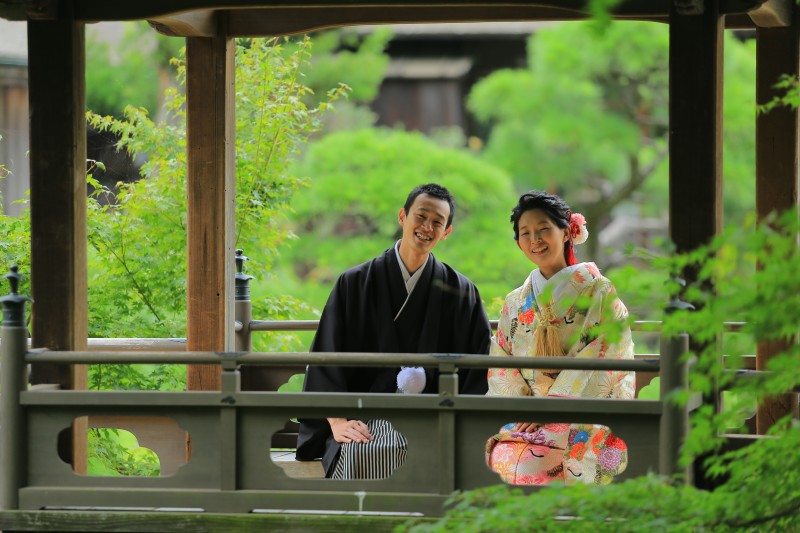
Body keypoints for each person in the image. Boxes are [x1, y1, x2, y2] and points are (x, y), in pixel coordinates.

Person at [296, 183, 492, 479]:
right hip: (364, 413)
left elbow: (476, 368)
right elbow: (327, 353)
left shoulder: (461, 292)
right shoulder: (354, 283)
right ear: (403, 216)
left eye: (437, 222)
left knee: (445, 456)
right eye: (421, 216)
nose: (427, 227)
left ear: (447, 231)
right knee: (363, 450)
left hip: (435, 414)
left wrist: (457, 421)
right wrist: (337, 421)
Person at [485, 190, 635, 486]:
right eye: (525, 233)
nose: (535, 240)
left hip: (582, 414)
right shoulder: (516, 301)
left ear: (567, 232)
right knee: (502, 457)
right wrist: (525, 409)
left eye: (543, 230)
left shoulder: (598, 290)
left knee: (532, 466)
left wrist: (552, 408)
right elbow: (501, 360)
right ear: (518, 243)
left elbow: (606, 350)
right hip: (527, 417)